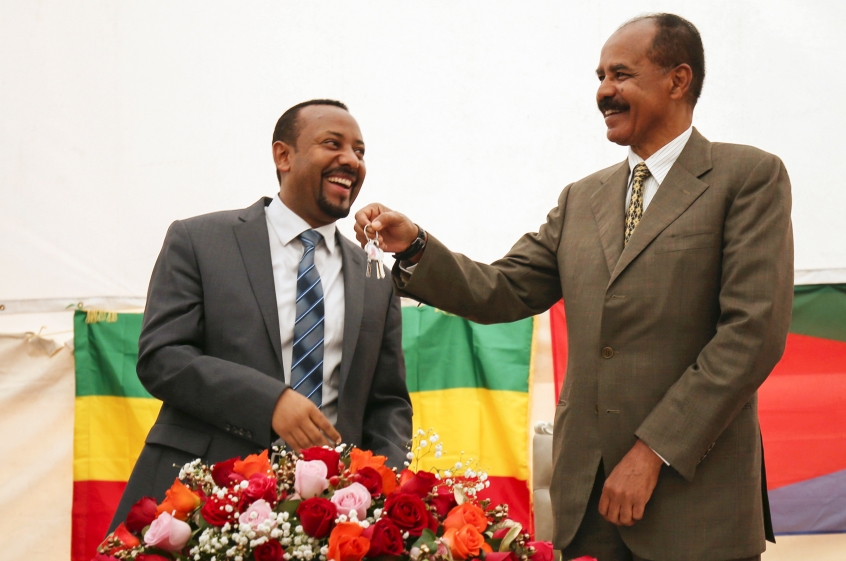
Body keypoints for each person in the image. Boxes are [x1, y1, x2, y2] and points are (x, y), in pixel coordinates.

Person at [355, 14, 792, 561]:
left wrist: (651, 452)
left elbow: (751, 336)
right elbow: (502, 289)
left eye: (621, 74)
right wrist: (416, 245)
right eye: (600, 76)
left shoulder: (747, 176)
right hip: (588, 508)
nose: (603, 91)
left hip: (695, 503)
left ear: (679, 80)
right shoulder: (581, 199)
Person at [109, 99, 412, 530]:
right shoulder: (199, 240)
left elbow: (388, 403)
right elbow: (162, 358)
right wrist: (269, 401)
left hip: (327, 521)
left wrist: (381, 490)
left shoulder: (375, 273)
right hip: (201, 506)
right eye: (333, 144)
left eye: (360, 151)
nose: (351, 159)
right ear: (283, 155)